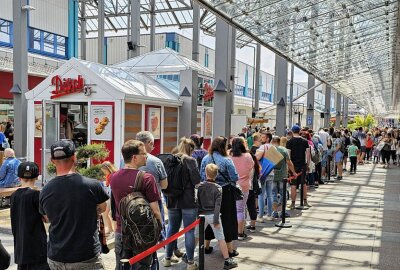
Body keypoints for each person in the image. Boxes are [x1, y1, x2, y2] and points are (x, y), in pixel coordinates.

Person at [39, 140, 109, 269]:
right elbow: (103, 208)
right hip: (85, 255)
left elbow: (47, 218)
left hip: (56, 256)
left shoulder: (45, 190)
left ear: (52, 160)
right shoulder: (92, 185)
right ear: (74, 157)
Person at [110, 140, 161, 270]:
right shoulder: (147, 178)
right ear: (134, 157)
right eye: (143, 154)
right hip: (143, 234)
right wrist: (158, 230)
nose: (147, 156)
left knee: (121, 267)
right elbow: (155, 211)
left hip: (121, 232)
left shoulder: (114, 177)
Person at [163, 138, 200, 270]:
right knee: (189, 231)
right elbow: (196, 180)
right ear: (191, 149)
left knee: (172, 228)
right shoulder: (190, 161)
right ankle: (190, 262)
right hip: (188, 200)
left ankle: (167, 258)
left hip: (172, 198)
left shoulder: (170, 159)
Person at [200, 137, 239, 258]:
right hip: (225, 192)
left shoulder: (205, 158)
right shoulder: (227, 160)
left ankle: (206, 246)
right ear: (224, 146)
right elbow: (234, 177)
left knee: (209, 217)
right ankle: (230, 250)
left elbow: (202, 175)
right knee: (228, 219)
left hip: (208, 192)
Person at [195, 163, 238, 269]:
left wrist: (198, 215)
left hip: (201, 216)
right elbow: (218, 205)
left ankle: (189, 256)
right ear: (216, 175)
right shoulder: (218, 188)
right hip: (213, 216)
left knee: (196, 236)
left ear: (205, 173)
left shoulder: (200, 186)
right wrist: (216, 220)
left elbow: (197, 202)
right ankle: (227, 261)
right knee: (220, 238)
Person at [10, 162, 50, 270]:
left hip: (20, 249)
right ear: (37, 177)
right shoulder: (37, 195)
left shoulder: (13, 196)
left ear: (19, 178)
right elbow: (47, 219)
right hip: (36, 249)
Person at [229, 137, 254, 240]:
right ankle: (240, 233)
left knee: (231, 209)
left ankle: (232, 231)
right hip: (244, 186)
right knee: (241, 209)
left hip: (232, 185)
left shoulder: (229, 156)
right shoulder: (248, 156)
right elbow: (251, 169)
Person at [271, 136, 297, 218]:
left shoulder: (270, 150)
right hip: (283, 175)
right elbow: (289, 163)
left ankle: (274, 212)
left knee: (273, 194)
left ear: (272, 142)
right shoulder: (284, 150)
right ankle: (283, 212)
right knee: (283, 194)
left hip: (272, 175)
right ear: (279, 142)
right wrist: (293, 172)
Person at [286, 125, 311, 209]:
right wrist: (308, 164)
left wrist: (288, 167)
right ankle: (305, 201)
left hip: (293, 166)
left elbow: (288, 156)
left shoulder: (289, 142)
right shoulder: (305, 141)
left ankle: (293, 203)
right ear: (300, 131)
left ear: (292, 132)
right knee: (303, 183)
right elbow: (308, 154)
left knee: (293, 185)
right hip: (302, 165)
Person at [255, 132, 275, 221]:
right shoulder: (273, 147)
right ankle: (269, 214)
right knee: (269, 194)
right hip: (271, 172)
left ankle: (260, 216)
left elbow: (257, 158)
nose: (261, 139)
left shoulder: (263, 147)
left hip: (263, 173)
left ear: (267, 139)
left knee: (261, 195)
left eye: (263, 137)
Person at [100, 161, 117, 237]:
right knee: (107, 214)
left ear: (108, 169)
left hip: (111, 196)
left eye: (104, 171)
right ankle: (111, 230)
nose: (104, 172)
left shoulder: (111, 176)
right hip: (109, 196)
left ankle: (112, 231)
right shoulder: (111, 175)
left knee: (108, 214)